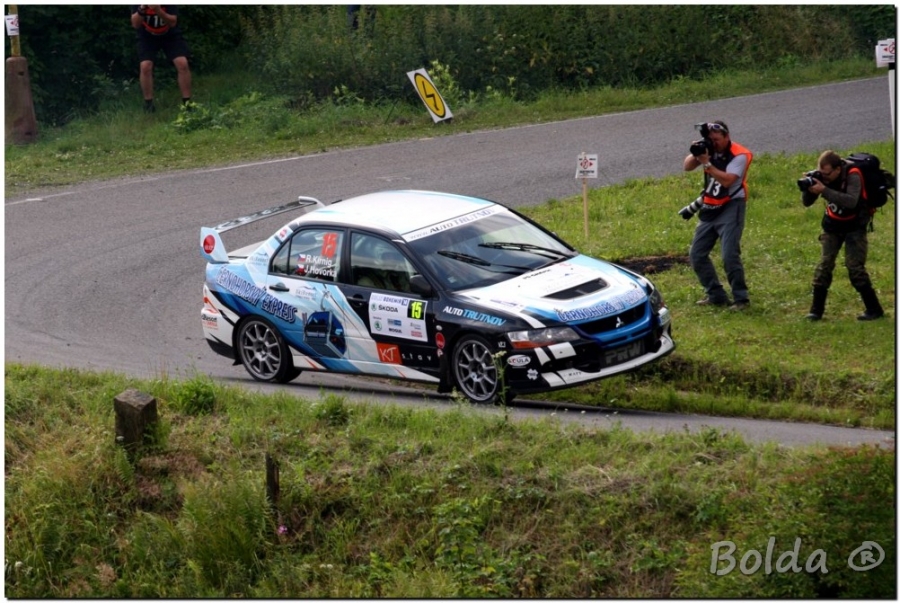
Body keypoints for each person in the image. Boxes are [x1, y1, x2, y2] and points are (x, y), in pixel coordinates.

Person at [801, 150, 884, 321]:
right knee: (824, 265)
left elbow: (851, 201)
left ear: (838, 169)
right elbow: (806, 203)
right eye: (822, 173)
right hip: (832, 224)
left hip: (855, 226)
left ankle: (874, 309)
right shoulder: (823, 176)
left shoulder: (853, 175)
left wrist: (824, 190)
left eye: (827, 174)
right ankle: (816, 311)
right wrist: (810, 189)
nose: (824, 177)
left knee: (855, 267)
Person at [682, 120, 753, 311]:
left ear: (727, 136)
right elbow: (687, 166)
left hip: (731, 205)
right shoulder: (708, 149)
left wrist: (707, 163)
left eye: (717, 139)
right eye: (710, 140)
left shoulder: (740, 154)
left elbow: (728, 181)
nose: (714, 143)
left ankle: (741, 299)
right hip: (710, 206)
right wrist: (697, 152)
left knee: (729, 254)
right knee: (697, 254)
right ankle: (716, 295)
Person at [130, 5, 191, 113]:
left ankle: (187, 103)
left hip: (170, 35)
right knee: (145, 66)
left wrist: (158, 10)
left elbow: (173, 22)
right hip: (146, 36)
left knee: (182, 63)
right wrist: (142, 8)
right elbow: (135, 24)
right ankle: (148, 104)